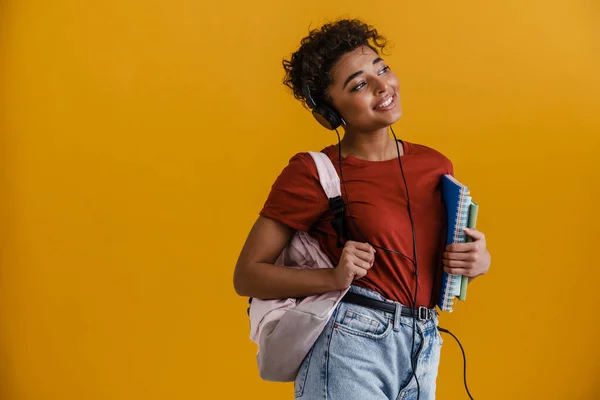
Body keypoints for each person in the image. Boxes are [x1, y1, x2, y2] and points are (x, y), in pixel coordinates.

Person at [233, 18, 491, 400]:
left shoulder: (436, 167)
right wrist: (333, 278)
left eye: (382, 68)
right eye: (358, 84)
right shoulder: (314, 173)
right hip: (351, 343)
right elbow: (247, 276)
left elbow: (426, 262)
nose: (382, 86)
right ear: (330, 113)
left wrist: (477, 261)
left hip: (423, 342)